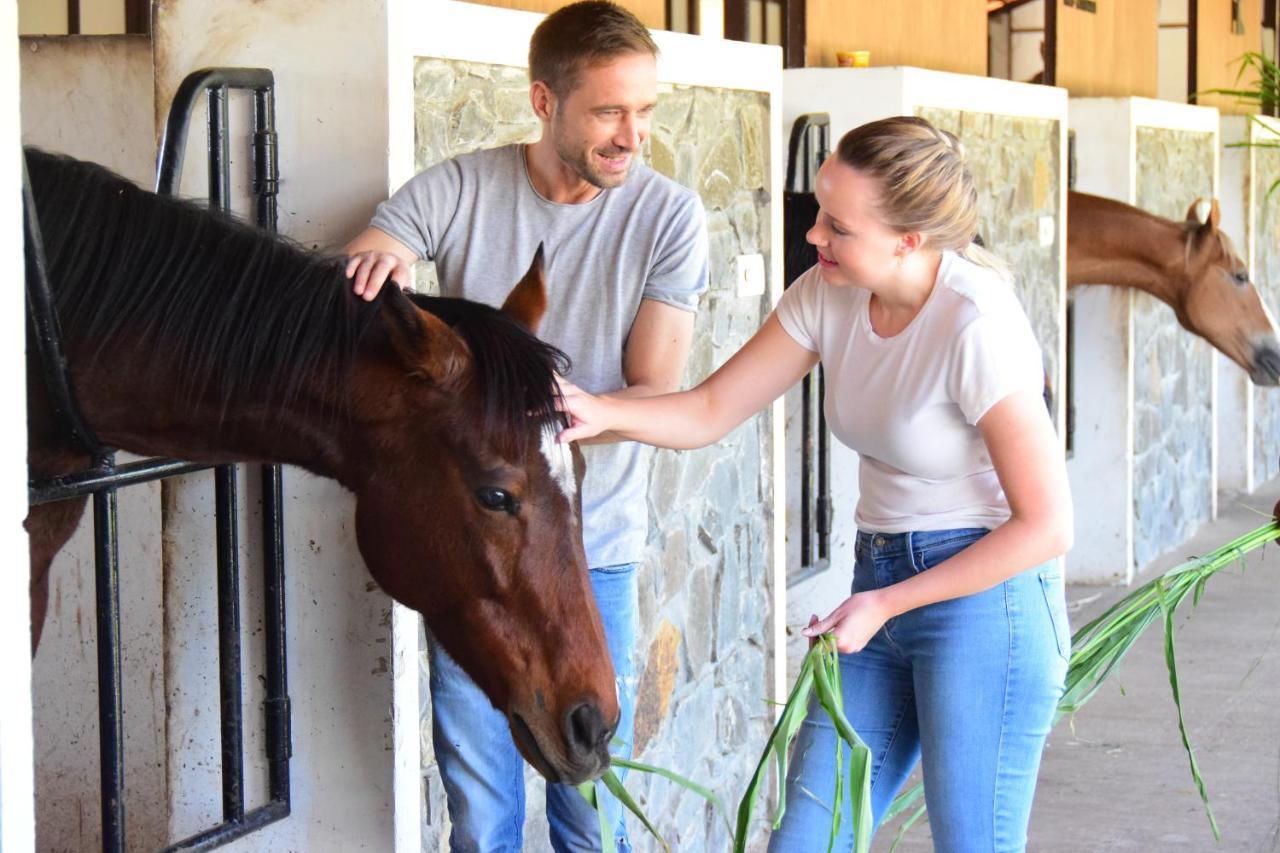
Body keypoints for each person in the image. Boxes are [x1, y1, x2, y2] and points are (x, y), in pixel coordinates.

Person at [557, 116, 1073, 852]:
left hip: (986, 606)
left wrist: (887, 601)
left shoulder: (974, 322)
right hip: (879, 583)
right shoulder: (827, 293)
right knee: (803, 839)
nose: (814, 236)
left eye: (838, 225)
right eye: (820, 213)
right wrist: (593, 410)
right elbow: (709, 409)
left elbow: (1049, 525)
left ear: (908, 240)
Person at [343, 3, 709, 851]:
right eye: (610, 112)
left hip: (591, 554)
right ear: (544, 102)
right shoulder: (462, 186)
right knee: (483, 816)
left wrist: (555, 418)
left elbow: (655, 391)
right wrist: (378, 263)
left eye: (646, 111)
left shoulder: (668, 217)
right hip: (478, 562)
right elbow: (365, 271)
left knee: (590, 810)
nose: (633, 135)